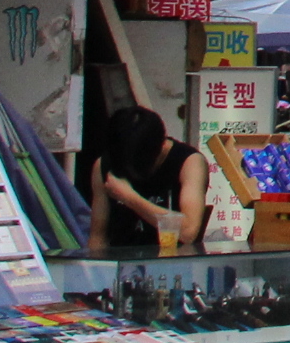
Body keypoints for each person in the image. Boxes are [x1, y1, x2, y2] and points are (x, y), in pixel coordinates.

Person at [89, 104, 208, 248]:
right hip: (122, 257)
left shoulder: (189, 162)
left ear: (162, 145)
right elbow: (97, 236)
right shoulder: (105, 165)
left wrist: (129, 198)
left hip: (172, 261)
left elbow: (188, 231)